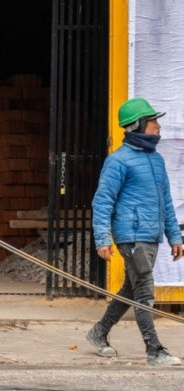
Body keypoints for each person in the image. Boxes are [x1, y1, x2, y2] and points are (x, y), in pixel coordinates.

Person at [87, 97, 183, 366]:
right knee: (144, 291)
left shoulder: (157, 160)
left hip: (151, 236)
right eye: (153, 121)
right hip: (131, 236)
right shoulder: (118, 162)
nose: (158, 126)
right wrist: (102, 238)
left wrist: (174, 236)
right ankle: (154, 350)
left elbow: (166, 202)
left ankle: (98, 332)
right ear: (138, 125)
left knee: (131, 289)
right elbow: (102, 201)